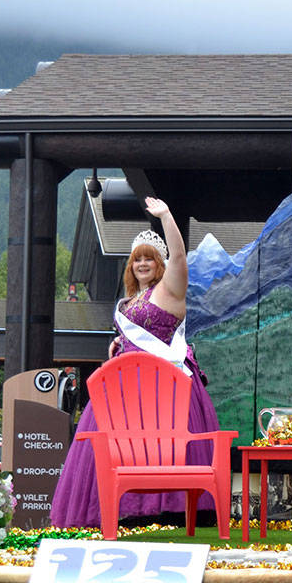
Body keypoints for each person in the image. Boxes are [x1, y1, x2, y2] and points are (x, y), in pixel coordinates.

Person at [50, 196, 220, 528]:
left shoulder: (170, 290)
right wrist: (120, 341)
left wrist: (166, 215)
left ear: (160, 264)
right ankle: (111, 508)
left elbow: (181, 257)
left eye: (149, 259)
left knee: (163, 446)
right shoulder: (129, 301)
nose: (143, 264)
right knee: (114, 445)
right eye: (137, 259)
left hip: (164, 386)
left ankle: (167, 509)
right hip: (125, 388)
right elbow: (136, 333)